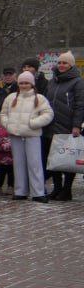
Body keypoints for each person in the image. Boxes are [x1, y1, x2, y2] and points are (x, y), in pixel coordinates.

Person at [0, 70, 52, 202]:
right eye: (21, 83)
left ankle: (38, 192)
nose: (23, 85)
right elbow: (3, 114)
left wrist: (33, 124)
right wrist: (8, 125)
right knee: (18, 164)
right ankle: (20, 191)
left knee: (35, 164)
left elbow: (48, 114)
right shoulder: (11, 98)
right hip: (16, 135)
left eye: (26, 83)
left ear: (32, 84)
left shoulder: (39, 98)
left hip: (31, 135)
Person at [45, 52, 84, 201]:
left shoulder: (78, 82)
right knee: (54, 159)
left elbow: (80, 105)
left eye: (65, 63)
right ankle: (57, 188)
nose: (61, 65)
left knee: (68, 158)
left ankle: (67, 190)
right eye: (60, 62)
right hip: (51, 125)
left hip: (67, 125)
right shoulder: (52, 80)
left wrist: (76, 125)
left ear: (71, 65)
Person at [0, 121, 14, 195]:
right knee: (1, 170)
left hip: (11, 155)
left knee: (11, 171)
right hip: (0, 154)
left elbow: (14, 140)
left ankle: (10, 186)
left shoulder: (13, 125)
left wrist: (5, 146)